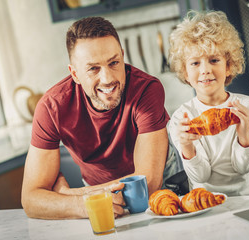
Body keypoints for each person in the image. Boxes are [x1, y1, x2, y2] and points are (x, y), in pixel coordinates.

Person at [21, 16, 180, 220]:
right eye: (93, 68)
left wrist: (70, 195)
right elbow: (31, 200)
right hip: (94, 201)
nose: (108, 78)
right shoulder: (51, 107)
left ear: (123, 56)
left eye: (114, 63)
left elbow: (146, 184)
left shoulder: (147, 90)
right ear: (75, 74)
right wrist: (82, 204)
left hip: (162, 189)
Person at [167, 10, 249, 196]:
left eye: (214, 60)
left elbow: (244, 167)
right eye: (195, 63)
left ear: (228, 66)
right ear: (185, 72)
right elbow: (201, 176)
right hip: (207, 203)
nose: (205, 70)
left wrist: (244, 134)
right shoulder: (182, 119)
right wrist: (187, 146)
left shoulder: (247, 107)